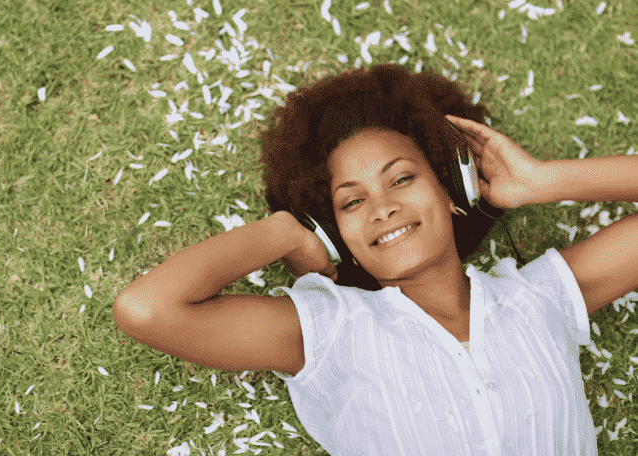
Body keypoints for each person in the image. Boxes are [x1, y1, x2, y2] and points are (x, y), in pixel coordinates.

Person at [114, 63, 627, 455]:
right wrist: (287, 232)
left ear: (453, 188)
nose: (384, 207)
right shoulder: (331, 332)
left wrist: (542, 182)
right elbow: (147, 308)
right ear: (336, 233)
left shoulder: (541, 299)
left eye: (402, 178)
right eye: (351, 201)